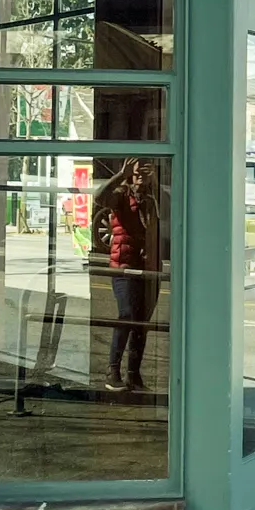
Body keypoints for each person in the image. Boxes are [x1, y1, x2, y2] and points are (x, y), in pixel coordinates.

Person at [91, 159, 162, 395]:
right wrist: (121, 175)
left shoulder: (153, 199)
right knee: (127, 315)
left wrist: (155, 183)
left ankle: (134, 374)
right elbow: (99, 197)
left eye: (147, 169)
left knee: (142, 322)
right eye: (137, 170)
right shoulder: (121, 195)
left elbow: (172, 211)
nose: (141, 174)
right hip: (124, 266)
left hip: (149, 267)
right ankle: (112, 371)